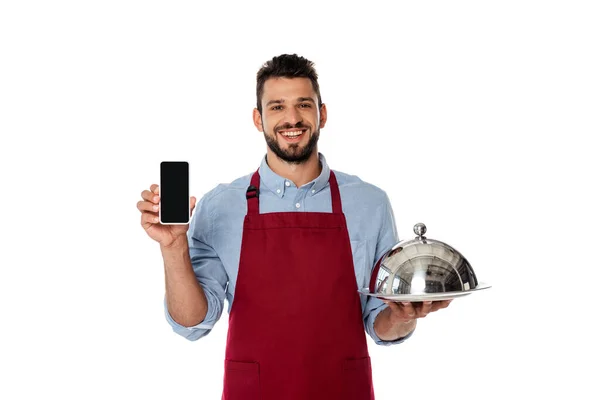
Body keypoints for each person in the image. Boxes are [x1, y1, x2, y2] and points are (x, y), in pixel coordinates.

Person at [137, 54, 452, 400]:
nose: (292, 118)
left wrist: (404, 315)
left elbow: (380, 324)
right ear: (258, 119)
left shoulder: (370, 203)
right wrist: (173, 247)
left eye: (304, 104)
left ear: (323, 114)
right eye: (276, 107)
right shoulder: (220, 205)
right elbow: (193, 322)